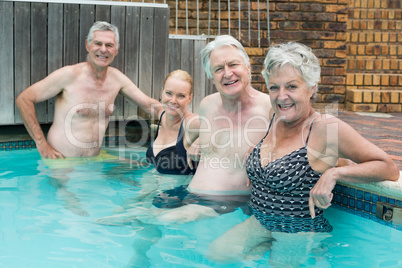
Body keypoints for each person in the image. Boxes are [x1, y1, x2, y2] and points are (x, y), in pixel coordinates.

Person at [206, 41, 400, 265]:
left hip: (297, 230)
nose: (282, 96)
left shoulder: (324, 127)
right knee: (215, 256)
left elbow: (389, 167)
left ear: (312, 87)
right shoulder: (274, 116)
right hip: (260, 221)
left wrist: (333, 174)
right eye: (274, 87)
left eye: (292, 87)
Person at [16, 21, 161, 159]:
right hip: (61, 163)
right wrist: (41, 143)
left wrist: (181, 116)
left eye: (109, 45)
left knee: (138, 172)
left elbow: (149, 105)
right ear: (88, 45)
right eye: (98, 43)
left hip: (93, 161)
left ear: (116, 50)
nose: (103, 49)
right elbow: (24, 99)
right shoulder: (68, 75)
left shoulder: (117, 79)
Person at [146, 69, 199, 175]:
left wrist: (200, 141)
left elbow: (227, 127)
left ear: (189, 98)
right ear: (162, 92)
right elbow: (131, 91)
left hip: (183, 190)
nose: (173, 100)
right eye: (169, 93)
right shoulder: (161, 114)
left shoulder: (191, 122)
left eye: (181, 96)